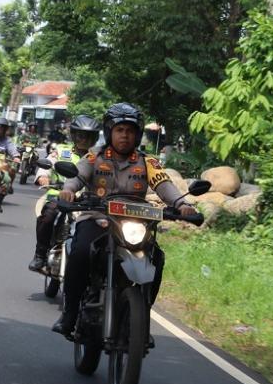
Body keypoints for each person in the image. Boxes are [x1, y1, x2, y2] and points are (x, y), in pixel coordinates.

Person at [52, 103, 197, 335]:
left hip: (136, 221)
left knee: (157, 258)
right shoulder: (94, 157)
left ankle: (141, 315)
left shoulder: (147, 162)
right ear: (110, 132)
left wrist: (182, 204)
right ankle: (69, 314)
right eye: (120, 130)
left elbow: (164, 185)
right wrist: (68, 190)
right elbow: (77, 176)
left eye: (130, 131)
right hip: (98, 217)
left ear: (137, 134)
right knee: (79, 252)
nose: (125, 135)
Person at [27, 114, 100, 272]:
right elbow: (49, 162)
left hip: (88, 202)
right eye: (81, 135)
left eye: (89, 136)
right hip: (59, 195)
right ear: (74, 135)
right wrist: (43, 177)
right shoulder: (62, 151)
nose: (84, 140)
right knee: (48, 216)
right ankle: (40, 254)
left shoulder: (99, 157)